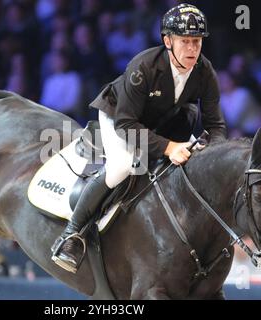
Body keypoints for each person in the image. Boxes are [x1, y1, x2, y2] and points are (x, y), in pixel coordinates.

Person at [51, 3, 227, 273]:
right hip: (119, 118)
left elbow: (215, 124)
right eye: (185, 41)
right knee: (122, 165)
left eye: (197, 41)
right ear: (168, 41)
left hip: (160, 120)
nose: (192, 48)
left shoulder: (205, 71)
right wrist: (169, 147)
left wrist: (215, 157)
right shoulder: (143, 67)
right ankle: (72, 234)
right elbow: (126, 123)